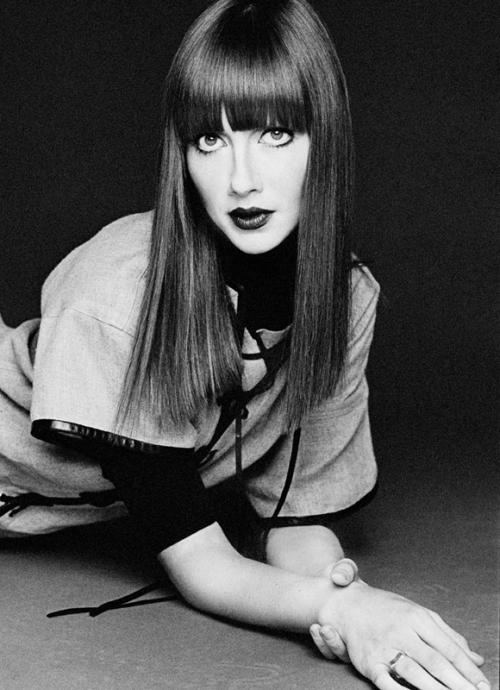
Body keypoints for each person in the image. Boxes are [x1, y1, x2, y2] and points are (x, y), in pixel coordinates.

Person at [0, 1, 490, 689]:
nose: (241, 179)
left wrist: (348, 603)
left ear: (326, 140)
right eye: (210, 140)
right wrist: (336, 610)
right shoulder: (117, 296)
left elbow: (295, 518)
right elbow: (200, 562)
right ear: (182, 155)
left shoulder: (343, 299)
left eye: (276, 134)